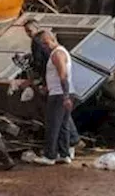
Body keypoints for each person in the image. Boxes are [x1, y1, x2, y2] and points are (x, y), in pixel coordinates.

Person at [29, 30, 78, 165]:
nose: (44, 47)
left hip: (59, 94)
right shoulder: (59, 52)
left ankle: (50, 155)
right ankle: (64, 154)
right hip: (60, 92)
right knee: (63, 125)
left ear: (51, 39)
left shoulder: (57, 54)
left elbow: (63, 76)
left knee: (52, 125)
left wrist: (66, 96)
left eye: (45, 44)